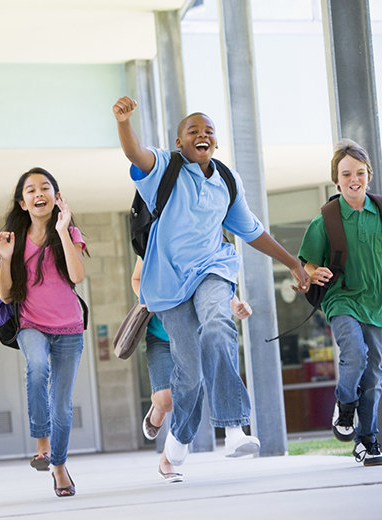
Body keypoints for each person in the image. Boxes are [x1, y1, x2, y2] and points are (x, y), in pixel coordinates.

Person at [112, 95, 311, 477]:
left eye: (208, 132)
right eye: (193, 131)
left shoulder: (226, 181)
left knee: (219, 328)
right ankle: (178, 440)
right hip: (168, 284)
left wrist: (291, 263)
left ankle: (234, 427)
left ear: (215, 143)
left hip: (213, 268)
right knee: (188, 373)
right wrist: (123, 123)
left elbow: (252, 231)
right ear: (179, 142)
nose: (202, 136)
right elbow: (135, 153)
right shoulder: (164, 169)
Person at [0, 167, 87, 498]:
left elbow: (77, 276)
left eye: (45, 187)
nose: (38, 193)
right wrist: (5, 259)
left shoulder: (68, 233)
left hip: (70, 328)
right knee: (38, 367)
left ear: (56, 197)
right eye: (30, 190)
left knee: (62, 406)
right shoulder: (14, 242)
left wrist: (62, 230)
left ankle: (58, 466)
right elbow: (5, 296)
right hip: (31, 324)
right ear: (22, 202)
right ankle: (42, 443)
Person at [298, 139, 382, 466]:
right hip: (342, 299)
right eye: (346, 174)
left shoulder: (380, 214)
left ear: (369, 175)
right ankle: (344, 406)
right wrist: (312, 271)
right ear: (337, 180)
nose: (353, 179)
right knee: (355, 355)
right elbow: (306, 260)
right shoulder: (326, 221)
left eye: (359, 172)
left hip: (376, 304)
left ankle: (367, 440)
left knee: (374, 372)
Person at [131, 257, 252, 482]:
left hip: (193, 338)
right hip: (161, 338)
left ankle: (167, 460)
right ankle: (157, 411)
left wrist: (235, 304)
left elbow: (213, 280)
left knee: (192, 385)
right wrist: (148, 299)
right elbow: (137, 279)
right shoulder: (152, 241)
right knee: (166, 400)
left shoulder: (198, 243)